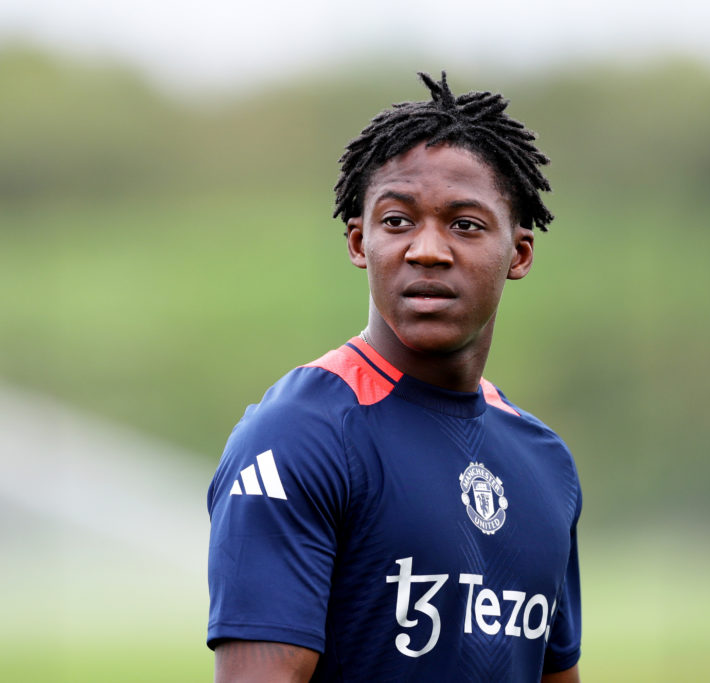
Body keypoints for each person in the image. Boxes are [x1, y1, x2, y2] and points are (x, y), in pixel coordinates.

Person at [206, 72, 581, 682]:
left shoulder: (546, 463)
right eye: (398, 221)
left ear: (519, 254)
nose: (427, 249)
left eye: (464, 224)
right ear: (360, 242)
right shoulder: (298, 438)